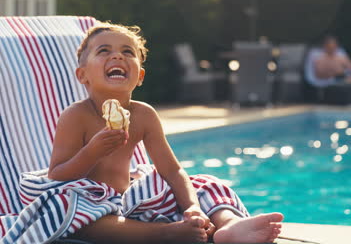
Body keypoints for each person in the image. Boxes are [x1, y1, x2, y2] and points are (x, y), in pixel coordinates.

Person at [47, 22, 283, 243]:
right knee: (77, 216)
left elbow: (172, 169)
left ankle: (227, 224)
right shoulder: (76, 116)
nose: (117, 55)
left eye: (128, 52)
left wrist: (192, 207)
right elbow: (57, 176)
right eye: (104, 51)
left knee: (204, 183)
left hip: (132, 200)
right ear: (82, 75)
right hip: (93, 203)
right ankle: (167, 232)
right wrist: (92, 152)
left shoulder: (143, 115)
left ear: (139, 76)